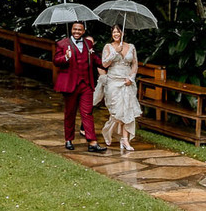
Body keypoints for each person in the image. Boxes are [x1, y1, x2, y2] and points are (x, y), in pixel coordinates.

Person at [53, 21, 107, 153]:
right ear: (71, 30)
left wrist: (109, 63)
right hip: (71, 84)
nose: (77, 32)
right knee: (70, 113)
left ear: (83, 31)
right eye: (75, 29)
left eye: (79, 30)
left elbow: (95, 59)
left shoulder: (88, 44)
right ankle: (68, 139)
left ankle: (92, 142)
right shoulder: (62, 44)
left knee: (87, 112)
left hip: (86, 84)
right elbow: (56, 61)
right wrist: (66, 57)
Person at [101, 24, 143, 153]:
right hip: (114, 82)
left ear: (122, 33)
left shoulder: (131, 47)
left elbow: (135, 64)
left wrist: (131, 78)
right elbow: (104, 64)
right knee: (117, 112)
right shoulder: (108, 47)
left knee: (128, 111)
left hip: (127, 82)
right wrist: (115, 52)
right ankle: (108, 131)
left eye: (118, 32)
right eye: (114, 32)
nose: (116, 34)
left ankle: (125, 139)